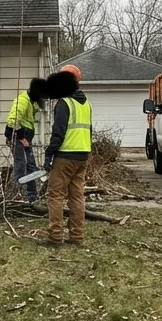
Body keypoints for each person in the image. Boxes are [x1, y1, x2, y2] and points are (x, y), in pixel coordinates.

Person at [43, 64, 91, 245]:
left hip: (65, 156)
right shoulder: (86, 103)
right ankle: (77, 236)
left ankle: (56, 236)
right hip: (83, 155)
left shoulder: (64, 103)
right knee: (76, 196)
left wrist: (49, 155)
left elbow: (58, 133)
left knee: (55, 195)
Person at [5, 77, 49, 202]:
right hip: (17, 135)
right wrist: (21, 137)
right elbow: (12, 121)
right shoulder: (22, 100)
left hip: (26, 136)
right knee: (21, 164)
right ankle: (17, 196)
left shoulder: (32, 102)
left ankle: (32, 196)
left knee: (31, 166)